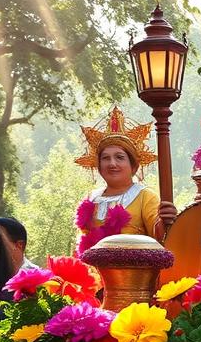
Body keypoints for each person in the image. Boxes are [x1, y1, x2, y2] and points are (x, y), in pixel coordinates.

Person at [75, 106, 177, 255]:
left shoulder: (145, 197)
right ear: (98, 166)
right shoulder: (91, 199)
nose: (112, 164)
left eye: (120, 157)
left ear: (134, 166)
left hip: (136, 274)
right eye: (105, 158)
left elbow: (161, 238)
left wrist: (167, 220)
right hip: (94, 273)